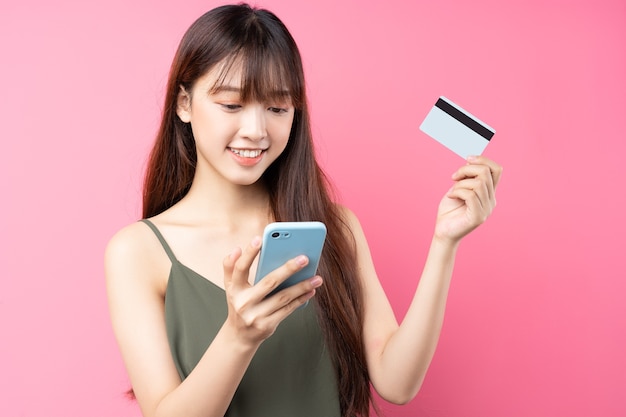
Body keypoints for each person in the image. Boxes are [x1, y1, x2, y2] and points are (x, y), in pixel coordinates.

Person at [105, 4, 502, 417]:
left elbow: (397, 382)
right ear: (184, 104)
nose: (257, 131)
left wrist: (445, 241)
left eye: (277, 108)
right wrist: (239, 337)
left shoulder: (336, 227)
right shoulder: (136, 252)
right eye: (231, 105)